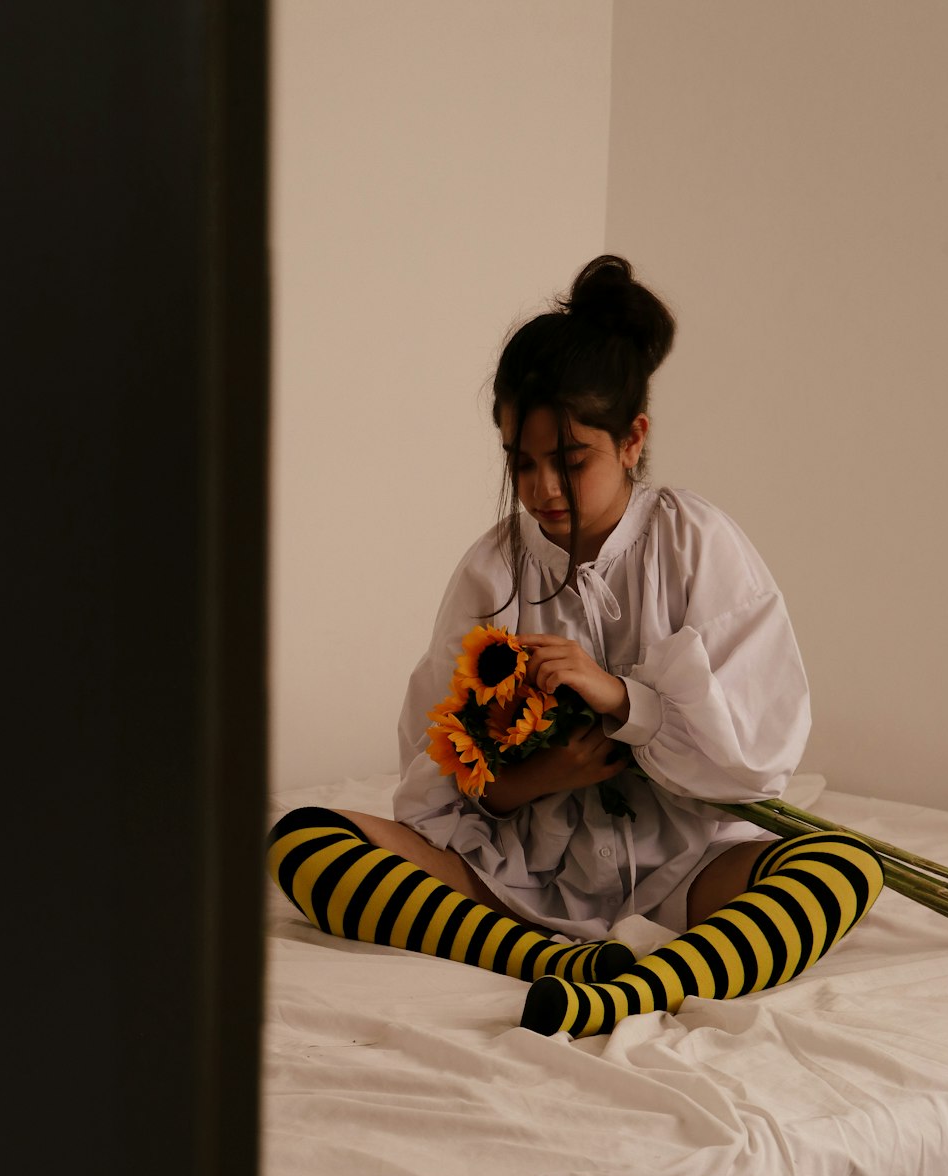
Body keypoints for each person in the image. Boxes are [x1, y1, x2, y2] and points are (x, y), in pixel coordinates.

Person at [268, 255, 883, 1037]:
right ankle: (550, 962)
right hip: (517, 871)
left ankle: (632, 990)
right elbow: (434, 774)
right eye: (520, 464)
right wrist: (536, 779)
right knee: (303, 841)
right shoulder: (492, 568)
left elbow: (753, 760)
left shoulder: (698, 542)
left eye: (569, 462)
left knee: (844, 869)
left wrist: (624, 700)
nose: (541, 490)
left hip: (684, 865)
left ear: (633, 440)